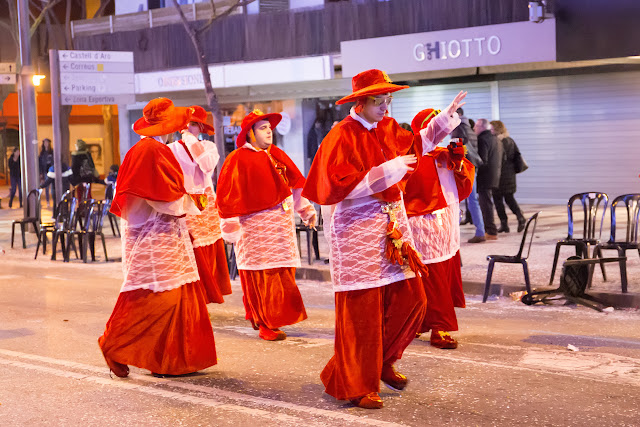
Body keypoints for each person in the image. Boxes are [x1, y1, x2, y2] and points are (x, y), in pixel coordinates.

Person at [302, 69, 466, 409]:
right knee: (362, 313)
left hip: (392, 230)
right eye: (380, 100)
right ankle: (358, 384)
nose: (387, 105)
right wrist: (385, 173)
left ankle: (383, 361)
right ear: (361, 102)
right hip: (357, 234)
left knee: (412, 298)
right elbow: (337, 187)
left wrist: (444, 120)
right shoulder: (340, 135)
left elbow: (417, 144)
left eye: (389, 99)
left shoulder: (387, 128)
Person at [98, 98, 217, 378]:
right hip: (157, 237)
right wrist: (190, 202)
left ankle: (168, 359)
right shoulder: (152, 151)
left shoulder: (143, 149)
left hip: (159, 234)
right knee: (158, 299)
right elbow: (165, 199)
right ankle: (115, 344)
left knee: (174, 297)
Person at [216, 109, 316, 341]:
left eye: (269, 127)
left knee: (282, 273)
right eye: (262, 128)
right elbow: (228, 197)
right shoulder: (237, 159)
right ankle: (265, 322)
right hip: (256, 231)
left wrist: (306, 210)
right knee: (262, 275)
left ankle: (272, 319)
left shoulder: (276, 154)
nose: (269, 131)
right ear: (250, 133)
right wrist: (230, 228)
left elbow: (296, 185)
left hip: (281, 228)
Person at [404, 109, 475, 349]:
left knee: (440, 276)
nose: (443, 134)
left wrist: (458, 165)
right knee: (429, 277)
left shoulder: (444, 154)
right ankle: (438, 327)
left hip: (446, 226)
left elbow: (464, 188)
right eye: (439, 129)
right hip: (423, 225)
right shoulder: (411, 156)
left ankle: (419, 323)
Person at [168, 105, 232, 304]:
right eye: (187, 124)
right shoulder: (171, 149)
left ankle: (205, 297)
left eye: (194, 124)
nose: (189, 128)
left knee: (208, 252)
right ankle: (191, 299)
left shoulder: (209, 148)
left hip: (205, 205)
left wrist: (191, 141)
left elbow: (205, 166)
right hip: (184, 203)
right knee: (190, 251)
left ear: (201, 128)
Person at [452, 109, 485, 243]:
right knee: (472, 200)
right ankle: (480, 230)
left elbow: (455, 150)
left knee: (456, 200)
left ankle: (478, 231)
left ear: (457, 115)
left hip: (464, 168)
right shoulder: (469, 128)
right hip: (472, 167)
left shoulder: (458, 128)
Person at [490, 120, 526, 233]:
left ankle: (504, 223)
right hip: (510, 175)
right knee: (509, 198)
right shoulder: (510, 140)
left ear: (496, 129)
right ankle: (520, 217)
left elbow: (495, 160)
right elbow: (517, 156)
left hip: (499, 175)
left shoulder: (497, 142)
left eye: (491, 128)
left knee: (498, 200)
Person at [474, 119, 502, 240]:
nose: (474, 128)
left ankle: (491, 231)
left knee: (485, 204)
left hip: (485, 176)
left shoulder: (482, 139)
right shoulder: (496, 139)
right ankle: (491, 230)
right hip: (495, 174)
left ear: (481, 127)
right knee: (488, 203)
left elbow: (482, 159)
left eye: (475, 125)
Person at [38, 138, 54, 207]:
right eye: (45, 143)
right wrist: (40, 173)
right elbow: (40, 163)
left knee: (52, 187)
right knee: (46, 187)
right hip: (45, 171)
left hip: (51, 171)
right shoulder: (42, 153)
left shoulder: (52, 152)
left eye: (47, 143)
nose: (46, 144)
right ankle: (48, 201)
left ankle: (52, 200)